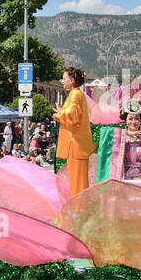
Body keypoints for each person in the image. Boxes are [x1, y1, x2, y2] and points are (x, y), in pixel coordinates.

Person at [53, 66, 95, 198]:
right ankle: (80, 209)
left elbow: (72, 114)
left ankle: (79, 211)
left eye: (64, 79)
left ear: (72, 80)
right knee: (77, 181)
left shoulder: (75, 94)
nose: (62, 81)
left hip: (75, 143)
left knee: (77, 182)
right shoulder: (75, 94)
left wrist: (59, 115)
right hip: (77, 144)